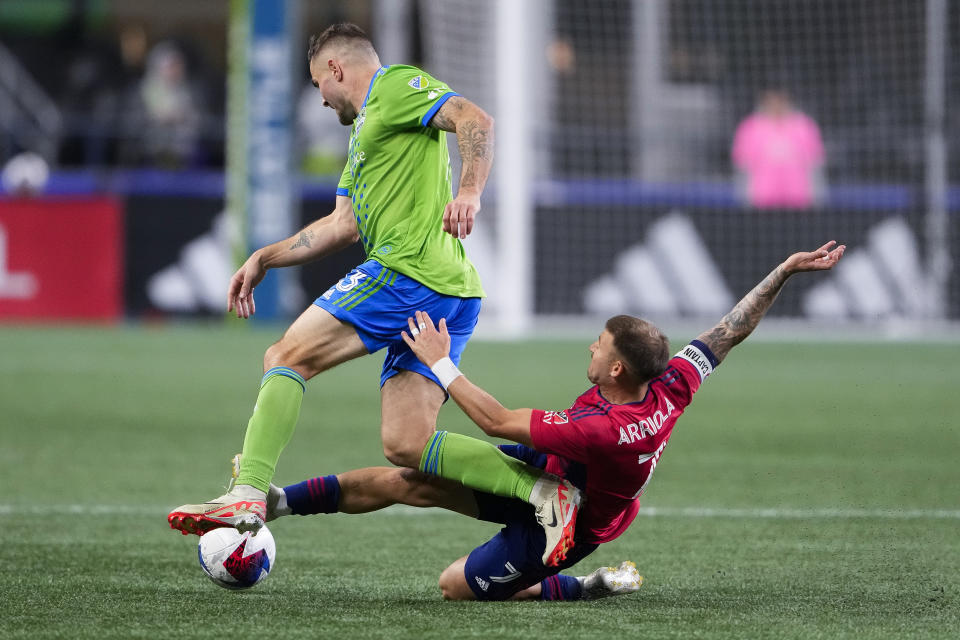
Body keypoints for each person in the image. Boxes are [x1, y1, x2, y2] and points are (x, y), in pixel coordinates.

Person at [168, 23, 580, 567]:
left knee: (286, 357)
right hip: (452, 293)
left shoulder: (395, 87)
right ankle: (546, 492)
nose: (320, 98)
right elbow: (342, 224)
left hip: (410, 275)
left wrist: (471, 192)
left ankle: (247, 493)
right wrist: (264, 256)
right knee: (408, 444)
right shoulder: (365, 135)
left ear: (336, 69)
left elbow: (474, 119)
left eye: (319, 83)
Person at [238, 241, 846, 601]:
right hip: (558, 475)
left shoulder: (601, 430)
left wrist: (441, 364)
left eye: (598, 344)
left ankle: (585, 587)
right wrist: (784, 273)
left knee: (454, 587)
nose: (590, 346)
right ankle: (279, 502)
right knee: (410, 477)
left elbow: (497, 421)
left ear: (614, 371)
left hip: (566, 524)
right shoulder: (669, 384)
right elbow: (728, 332)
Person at [732, 90, 825, 209]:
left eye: (780, 100)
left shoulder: (803, 125)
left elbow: (814, 164)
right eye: (771, 100)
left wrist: (817, 197)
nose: (776, 105)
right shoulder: (750, 126)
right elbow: (742, 165)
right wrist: (743, 198)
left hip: (798, 199)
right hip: (761, 199)